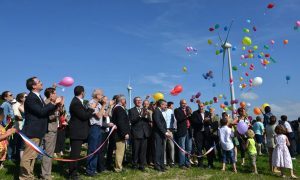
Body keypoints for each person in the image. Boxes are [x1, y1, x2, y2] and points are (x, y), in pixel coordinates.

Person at [20, 77, 62, 180]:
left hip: (37, 131)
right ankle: (25, 177)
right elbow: (41, 112)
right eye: (39, 82)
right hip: (32, 130)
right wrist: (54, 103)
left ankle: (29, 176)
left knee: (32, 156)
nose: (41, 82)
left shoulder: (37, 97)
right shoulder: (31, 98)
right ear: (34, 86)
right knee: (28, 156)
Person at [68, 85, 94, 180]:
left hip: (79, 132)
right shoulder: (76, 103)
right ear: (82, 92)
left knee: (76, 153)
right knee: (75, 154)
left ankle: (74, 172)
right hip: (76, 132)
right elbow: (83, 116)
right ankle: (72, 174)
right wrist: (91, 109)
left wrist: (88, 109)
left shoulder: (78, 102)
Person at [41, 87, 65, 180]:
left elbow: (61, 113)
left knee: (50, 153)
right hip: (49, 130)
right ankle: (45, 175)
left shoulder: (54, 103)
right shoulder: (47, 103)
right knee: (48, 153)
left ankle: (47, 173)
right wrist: (56, 108)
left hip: (54, 129)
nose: (56, 95)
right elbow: (50, 117)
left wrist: (60, 105)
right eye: (55, 93)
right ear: (50, 95)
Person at [129, 97, 151, 171]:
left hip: (144, 133)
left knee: (143, 151)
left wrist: (147, 116)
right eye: (137, 100)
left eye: (140, 100)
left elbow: (148, 121)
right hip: (136, 133)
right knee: (135, 150)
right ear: (134, 102)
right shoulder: (131, 110)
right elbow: (132, 121)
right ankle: (134, 165)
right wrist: (140, 116)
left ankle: (142, 165)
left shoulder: (144, 109)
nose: (139, 101)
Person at [111, 95, 130, 173]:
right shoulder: (119, 109)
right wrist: (125, 133)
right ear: (121, 100)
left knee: (121, 151)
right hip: (120, 134)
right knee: (119, 152)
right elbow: (121, 122)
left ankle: (119, 166)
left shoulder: (117, 108)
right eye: (124, 100)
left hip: (119, 133)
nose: (125, 102)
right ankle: (118, 168)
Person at [152, 99, 170, 172]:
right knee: (158, 150)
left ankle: (162, 165)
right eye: (165, 105)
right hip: (158, 134)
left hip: (161, 134)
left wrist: (165, 131)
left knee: (162, 150)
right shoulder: (156, 111)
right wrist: (165, 132)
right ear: (161, 105)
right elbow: (158, 124)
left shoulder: (159, 111)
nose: (166, 106)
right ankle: (157, 165)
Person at [191, 102, 210, 168]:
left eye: (202, 106)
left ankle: (210, 164)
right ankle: (200, 164)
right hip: (198, 133)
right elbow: (194, 122)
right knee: (199, 149)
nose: (201, 107)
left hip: (206, 134)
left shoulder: (208, 113)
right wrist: (203, 121)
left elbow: (210, 123)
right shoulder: (195, 113)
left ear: (204, 106)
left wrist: (208, 120)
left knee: (208, 148)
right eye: (199, 106)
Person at [174, 99, 192, 169]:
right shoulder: (177, 110)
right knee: (182, 148)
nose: (184, 104)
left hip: (189, 131)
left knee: (189, 148)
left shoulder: (188, 110)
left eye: (185, 103)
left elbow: (191, 120)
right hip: (182, 131)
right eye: (182, 103)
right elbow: (179, 119)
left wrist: (190, 114)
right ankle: (182, 164)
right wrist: (187, 115)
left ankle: (187, 162)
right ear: (180, 104)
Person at [12, 92, 27, 161]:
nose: (27, 98)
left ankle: (18, 157)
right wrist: (26, 118)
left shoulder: (25, 105)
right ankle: (14, 157)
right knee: (17, 143)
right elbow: (16, 116)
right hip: (19, 126)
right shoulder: (16, 105)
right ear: (21, 98)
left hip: (24, 126)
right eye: (25, 97)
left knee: (21, 143)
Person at [162, 101, 176, 167]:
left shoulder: (171, 111)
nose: (165, 106)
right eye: (164, 105)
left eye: (166, 105)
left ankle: (172, 162)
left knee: (172, 147)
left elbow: (173, 120)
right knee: (164, 147)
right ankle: (164, 162)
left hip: (170, 130)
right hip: (163, 130)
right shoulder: (160, 111)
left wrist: (172, 129)